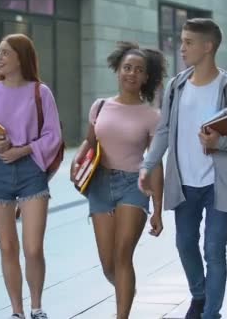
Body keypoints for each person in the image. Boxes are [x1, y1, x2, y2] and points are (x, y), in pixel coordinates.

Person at [139, 18, 227, 319]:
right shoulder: (176, 86)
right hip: (183, 183)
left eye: (188, 42)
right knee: (184, 244)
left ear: (208, 47)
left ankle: (210, 314)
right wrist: (148, 164)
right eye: (182, 41)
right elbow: (165, 130)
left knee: (215, 252)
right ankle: (199, 294)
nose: (182, 48)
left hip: (217, 185)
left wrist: (221, 143)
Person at [70, 41, 166, 319]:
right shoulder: (100, 107)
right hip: (99, 184)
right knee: (108, 264)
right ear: (118, 70)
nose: (131, 73)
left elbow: (155, 162)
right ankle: (127, 289)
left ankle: (121, 314)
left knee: (123, 254)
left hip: (134, 185)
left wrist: (158, 208)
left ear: (146, 77)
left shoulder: (152, 116)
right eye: (127, 68)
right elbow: (90, 141)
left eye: (138, 70)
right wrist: (78, 160)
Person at [0, 33, 62, 319]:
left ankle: (37, 307)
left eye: (5, 52)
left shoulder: (41, 92)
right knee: (7, 247)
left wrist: (23, 149)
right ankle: (17, 311)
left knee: (33, 247)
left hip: (31, 171)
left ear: (20, 57)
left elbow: (54, 135)